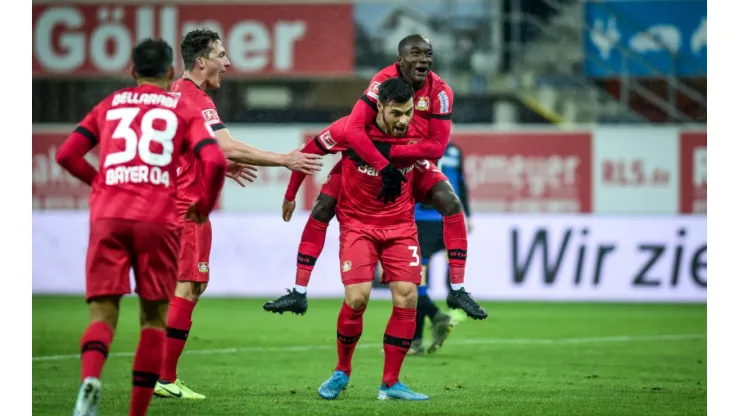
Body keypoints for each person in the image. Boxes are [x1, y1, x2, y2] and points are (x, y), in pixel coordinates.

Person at [57, 38, 227, 416]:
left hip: (108, 215)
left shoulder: (110, 104)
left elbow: (66, 154)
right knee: (152, 319)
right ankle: (137, 411)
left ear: (132, 71)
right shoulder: (180, 107)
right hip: (157, 217)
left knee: (103, 315)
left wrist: (100, 182)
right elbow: (215, 160)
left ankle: (91, 378)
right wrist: (204, 204)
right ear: (170, 72)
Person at [263, 34, 487, 321]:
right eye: (416, 53)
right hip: (364, 164)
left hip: (409, 163)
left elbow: (438, 148)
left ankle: (457, 288)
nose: (424, 59)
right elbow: (323, 146)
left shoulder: (440, 92)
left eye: (428, 54)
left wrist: (394, 153)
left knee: (450, 201)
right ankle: (298, 291)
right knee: (322, 207)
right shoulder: (377, 89)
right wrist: (290, 195)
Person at [154, 28, 324, 400]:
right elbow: (226, 144)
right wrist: (285, 159)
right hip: (186, 207)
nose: (228, 63)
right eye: (221, 55)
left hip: (178, 204)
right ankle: (163, 377)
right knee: (187, 286)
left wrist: (214, 162)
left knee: (191, 286)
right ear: (201, 62)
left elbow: (185, 145)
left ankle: (163, 374)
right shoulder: (195, 97)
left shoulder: (177, 95)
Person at [307, 77, 429, 400]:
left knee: (408, 297)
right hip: (358, 225)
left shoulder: (418, 132)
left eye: (408, 113)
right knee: (358, 298)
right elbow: (312, 149)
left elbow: (432, 159)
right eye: (397, 114)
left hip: (401, 226)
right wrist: (292, 194)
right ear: (381, 108)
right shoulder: (352, 131)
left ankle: (390, 384)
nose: (404, 120)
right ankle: (341, 371)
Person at [411, 140, 472, 355]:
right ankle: (416, 340)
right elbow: (462, 184)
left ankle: (434, 321)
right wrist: (467, 214)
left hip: (422, 219)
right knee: (416, 281)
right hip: (448, 216)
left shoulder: (416, 146)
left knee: (413, 281)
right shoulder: (454, 150)